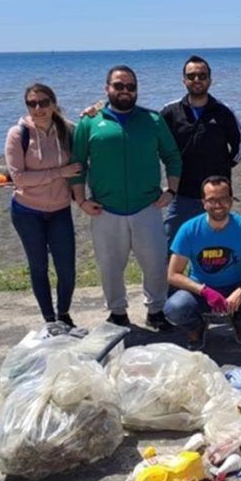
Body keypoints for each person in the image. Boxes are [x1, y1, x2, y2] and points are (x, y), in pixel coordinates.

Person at [69, 65, 182, 330]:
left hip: (148, 207)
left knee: (155, 263)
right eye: (118, 86)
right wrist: (82, 200)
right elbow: (77, 165)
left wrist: (171, 191)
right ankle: (117, 313)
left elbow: (173, 157)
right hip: (105, 209)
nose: (125, 91)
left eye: (130, 86)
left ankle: (156, 310)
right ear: (107, 88)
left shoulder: (152, 120)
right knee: (110, 266)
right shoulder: (90, 122)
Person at [164, 176, 241, 350]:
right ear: (204, 203)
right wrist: (204, 291)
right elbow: (173, 274)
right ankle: (196, 326)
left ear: (231, 201)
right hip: (200, 292)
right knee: (174, 308)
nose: (218, 204)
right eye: (212, 200)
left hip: (235, 289)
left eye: (223, 199)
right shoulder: (189, 229)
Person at [3, 84, 83, 327]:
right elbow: (18, 178)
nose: (38, 108)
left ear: (54, 103)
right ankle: (49, 319)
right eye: (32, 103)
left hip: (59, 210)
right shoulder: (18, 134)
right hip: (27, 211)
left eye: (44, 102)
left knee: (66, 268)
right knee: (38, 266)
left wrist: (94, 111)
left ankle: (64, 314)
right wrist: (60, 173)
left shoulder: (68, 130)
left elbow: (88, 139)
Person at [159, 56, 241, 246]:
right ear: (184, 80)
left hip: (216, 196)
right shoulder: (170, 112)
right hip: (181, 193)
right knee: (170, 246)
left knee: (214, 248)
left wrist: (223, 167)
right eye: (191, 76)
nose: (197, 80)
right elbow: (152, 141)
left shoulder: (223, 111)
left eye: (202, 75)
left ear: (210, 79)